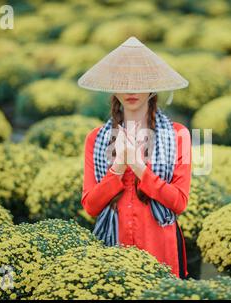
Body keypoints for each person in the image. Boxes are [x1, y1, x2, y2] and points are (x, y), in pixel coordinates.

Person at [78, 36, 192, 279]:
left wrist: (140, 169)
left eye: (138, 81)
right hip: (112, 248)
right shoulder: (95, 138)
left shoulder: (178, 134)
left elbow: (179, 202)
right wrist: (118, 168)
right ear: (113, 86)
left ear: (153, 86)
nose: (130, 89)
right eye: (123, 81)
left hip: (161, 247)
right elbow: (90, 206)